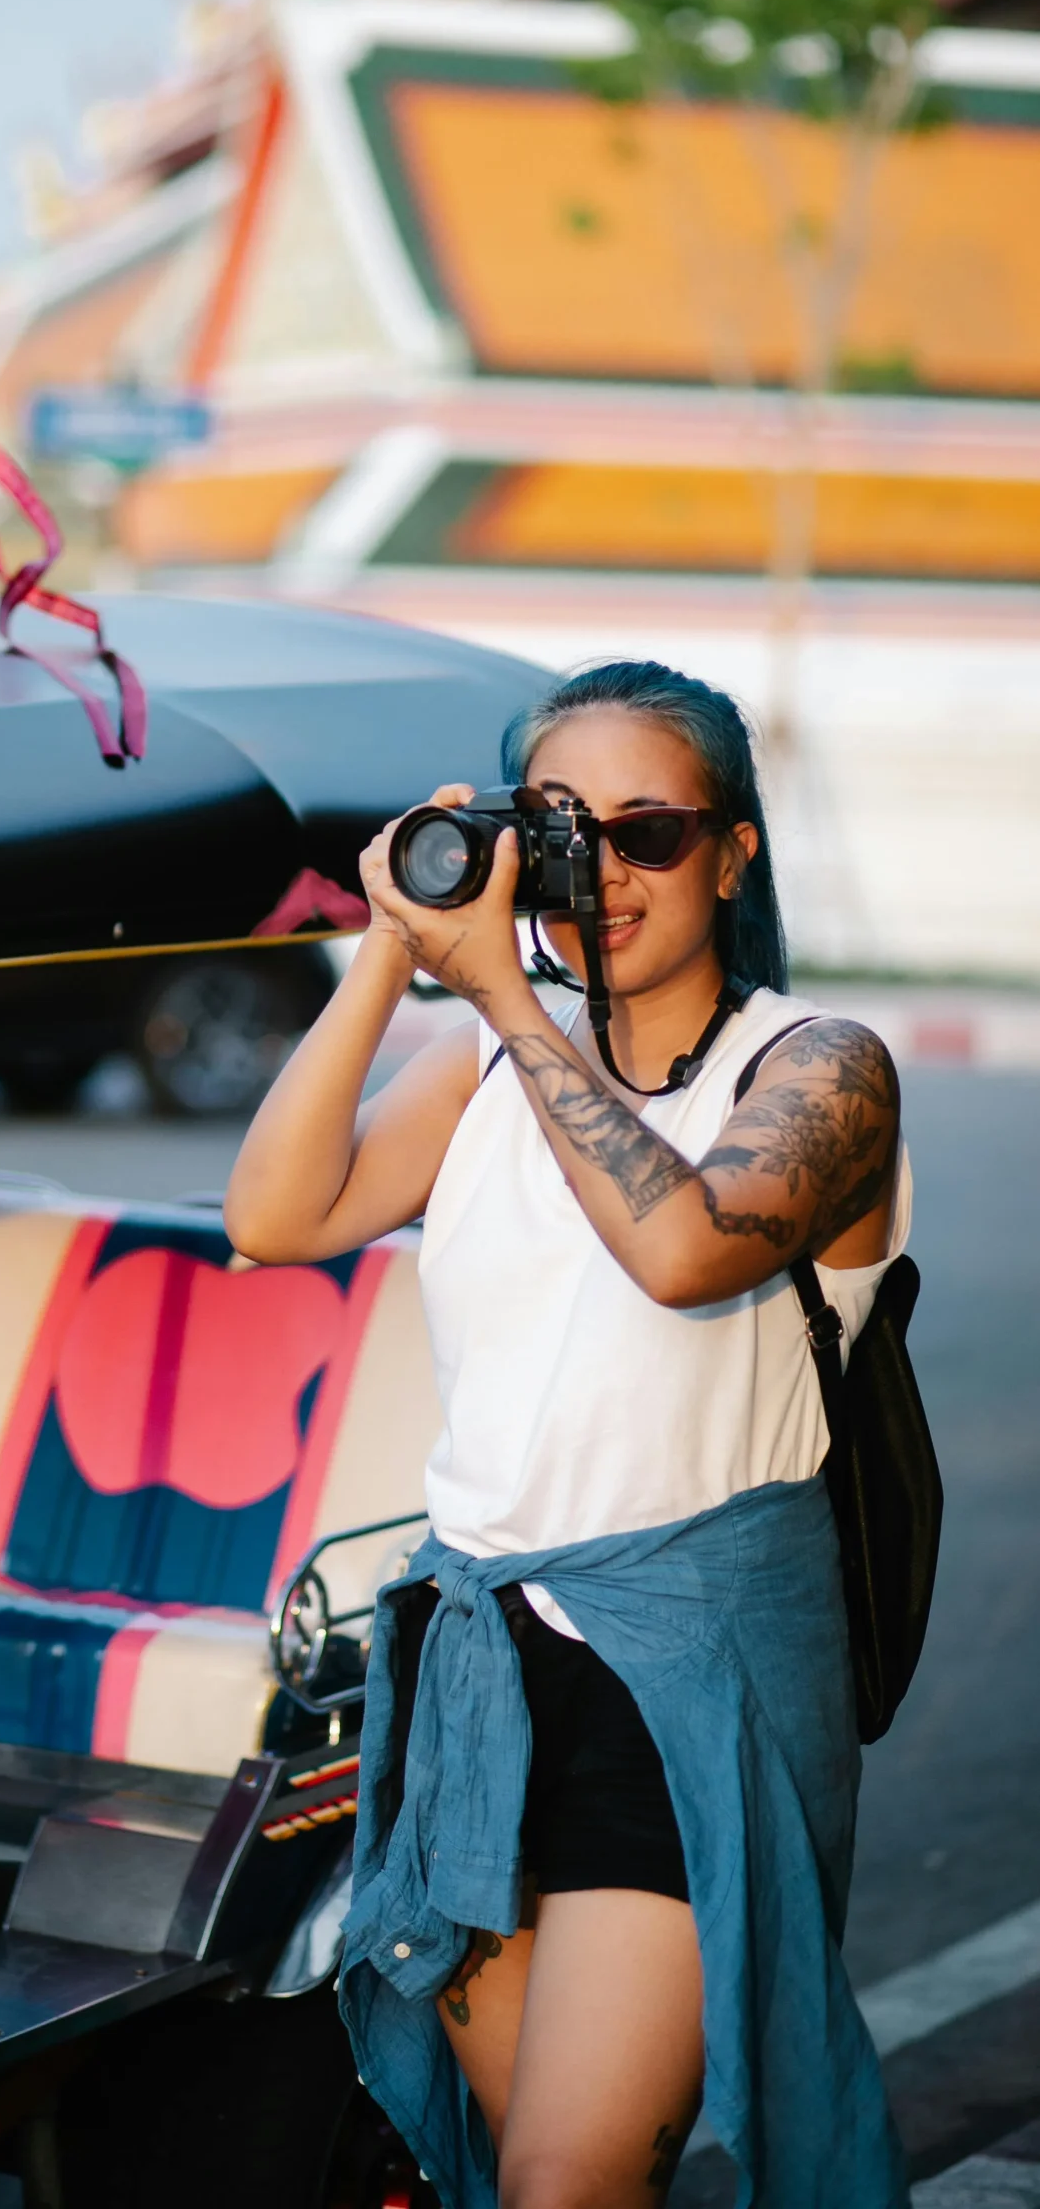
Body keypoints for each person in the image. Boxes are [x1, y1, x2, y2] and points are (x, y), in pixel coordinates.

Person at [224, 662, 911, 2208]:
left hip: (689, 1676)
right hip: (488, 1673)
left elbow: (683, 1253)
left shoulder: (815, 1069)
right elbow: (272, 1217)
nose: (598, 875)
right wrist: (389, 953)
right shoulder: (469, 1057)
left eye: (647, 832)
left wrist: (503, 1004)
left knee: (563, 2183)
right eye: (558, 832)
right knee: (519, 2177)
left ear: (732, 852)